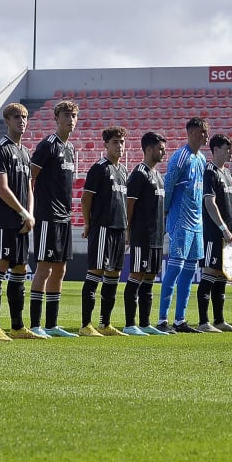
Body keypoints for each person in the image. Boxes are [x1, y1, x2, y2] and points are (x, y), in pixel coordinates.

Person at [0, 103, 39, 340]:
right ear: (6, 121)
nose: (22, 120)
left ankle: (17, 327)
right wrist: (22, 213)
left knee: (19, 270)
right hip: (5, 221)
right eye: (17, 116)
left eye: (25, 116)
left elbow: (29, 187)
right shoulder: (0, 149)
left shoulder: (26, 152)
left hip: (22, 221)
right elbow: (2, 188)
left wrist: (30, 213)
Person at [29, 99, 80, 338]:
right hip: (47, 215)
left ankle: (51, 325)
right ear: (57, 118)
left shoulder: (70, 149)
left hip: (65, 217)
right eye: (66, 115)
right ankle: (36, 324)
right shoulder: (48, 145)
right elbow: (31, 177)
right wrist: (30, 209)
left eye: (74, 116)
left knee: (60, 270)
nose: (71, 120)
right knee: (44, 269)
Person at [158, 117, 209, 332]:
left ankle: (180, 319)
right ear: (190, 133)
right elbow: (168, 186)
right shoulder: (181, 157)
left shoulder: (202, 159)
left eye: (206, 132)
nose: (204, 136)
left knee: (189, 272)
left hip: (197, 224)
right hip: (180, 221)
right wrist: (165, 213)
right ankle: (162, 320)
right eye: (200, 132)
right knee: (174, 269)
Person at [79, 127, 129, 336]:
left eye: (122, 142)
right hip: (102, 228)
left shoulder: (123, 171)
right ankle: (85, 325)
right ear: (106, 144)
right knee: (95, 273)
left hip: (119, 229)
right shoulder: (99, 168)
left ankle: (105, 323)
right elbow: (86, 198)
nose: (120, 146)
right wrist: (88, 223)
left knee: (114, 276)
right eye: (115, 142)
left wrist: (126, 228)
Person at [126, 132, 170, 334]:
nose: (163, 152)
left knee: (150, 278)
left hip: (156, 237)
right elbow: (129, 205)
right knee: (136, 276)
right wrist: (128, 230)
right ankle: (130, 324)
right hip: (141, 235)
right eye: (160, 148)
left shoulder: (158, 176)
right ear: (149, 149)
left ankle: (145, 323)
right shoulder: (139, 174)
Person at [198, 133, 232, 332]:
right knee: (210, 271)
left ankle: (219, 320)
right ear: (215, 150)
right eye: (227, 148)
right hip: (213, 233)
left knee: (223, 275)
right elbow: (209, 202)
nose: (231, 152)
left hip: (229, 235)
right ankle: (203, 322)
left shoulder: (228, 174)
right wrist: (223, 228)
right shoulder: (210, 172)